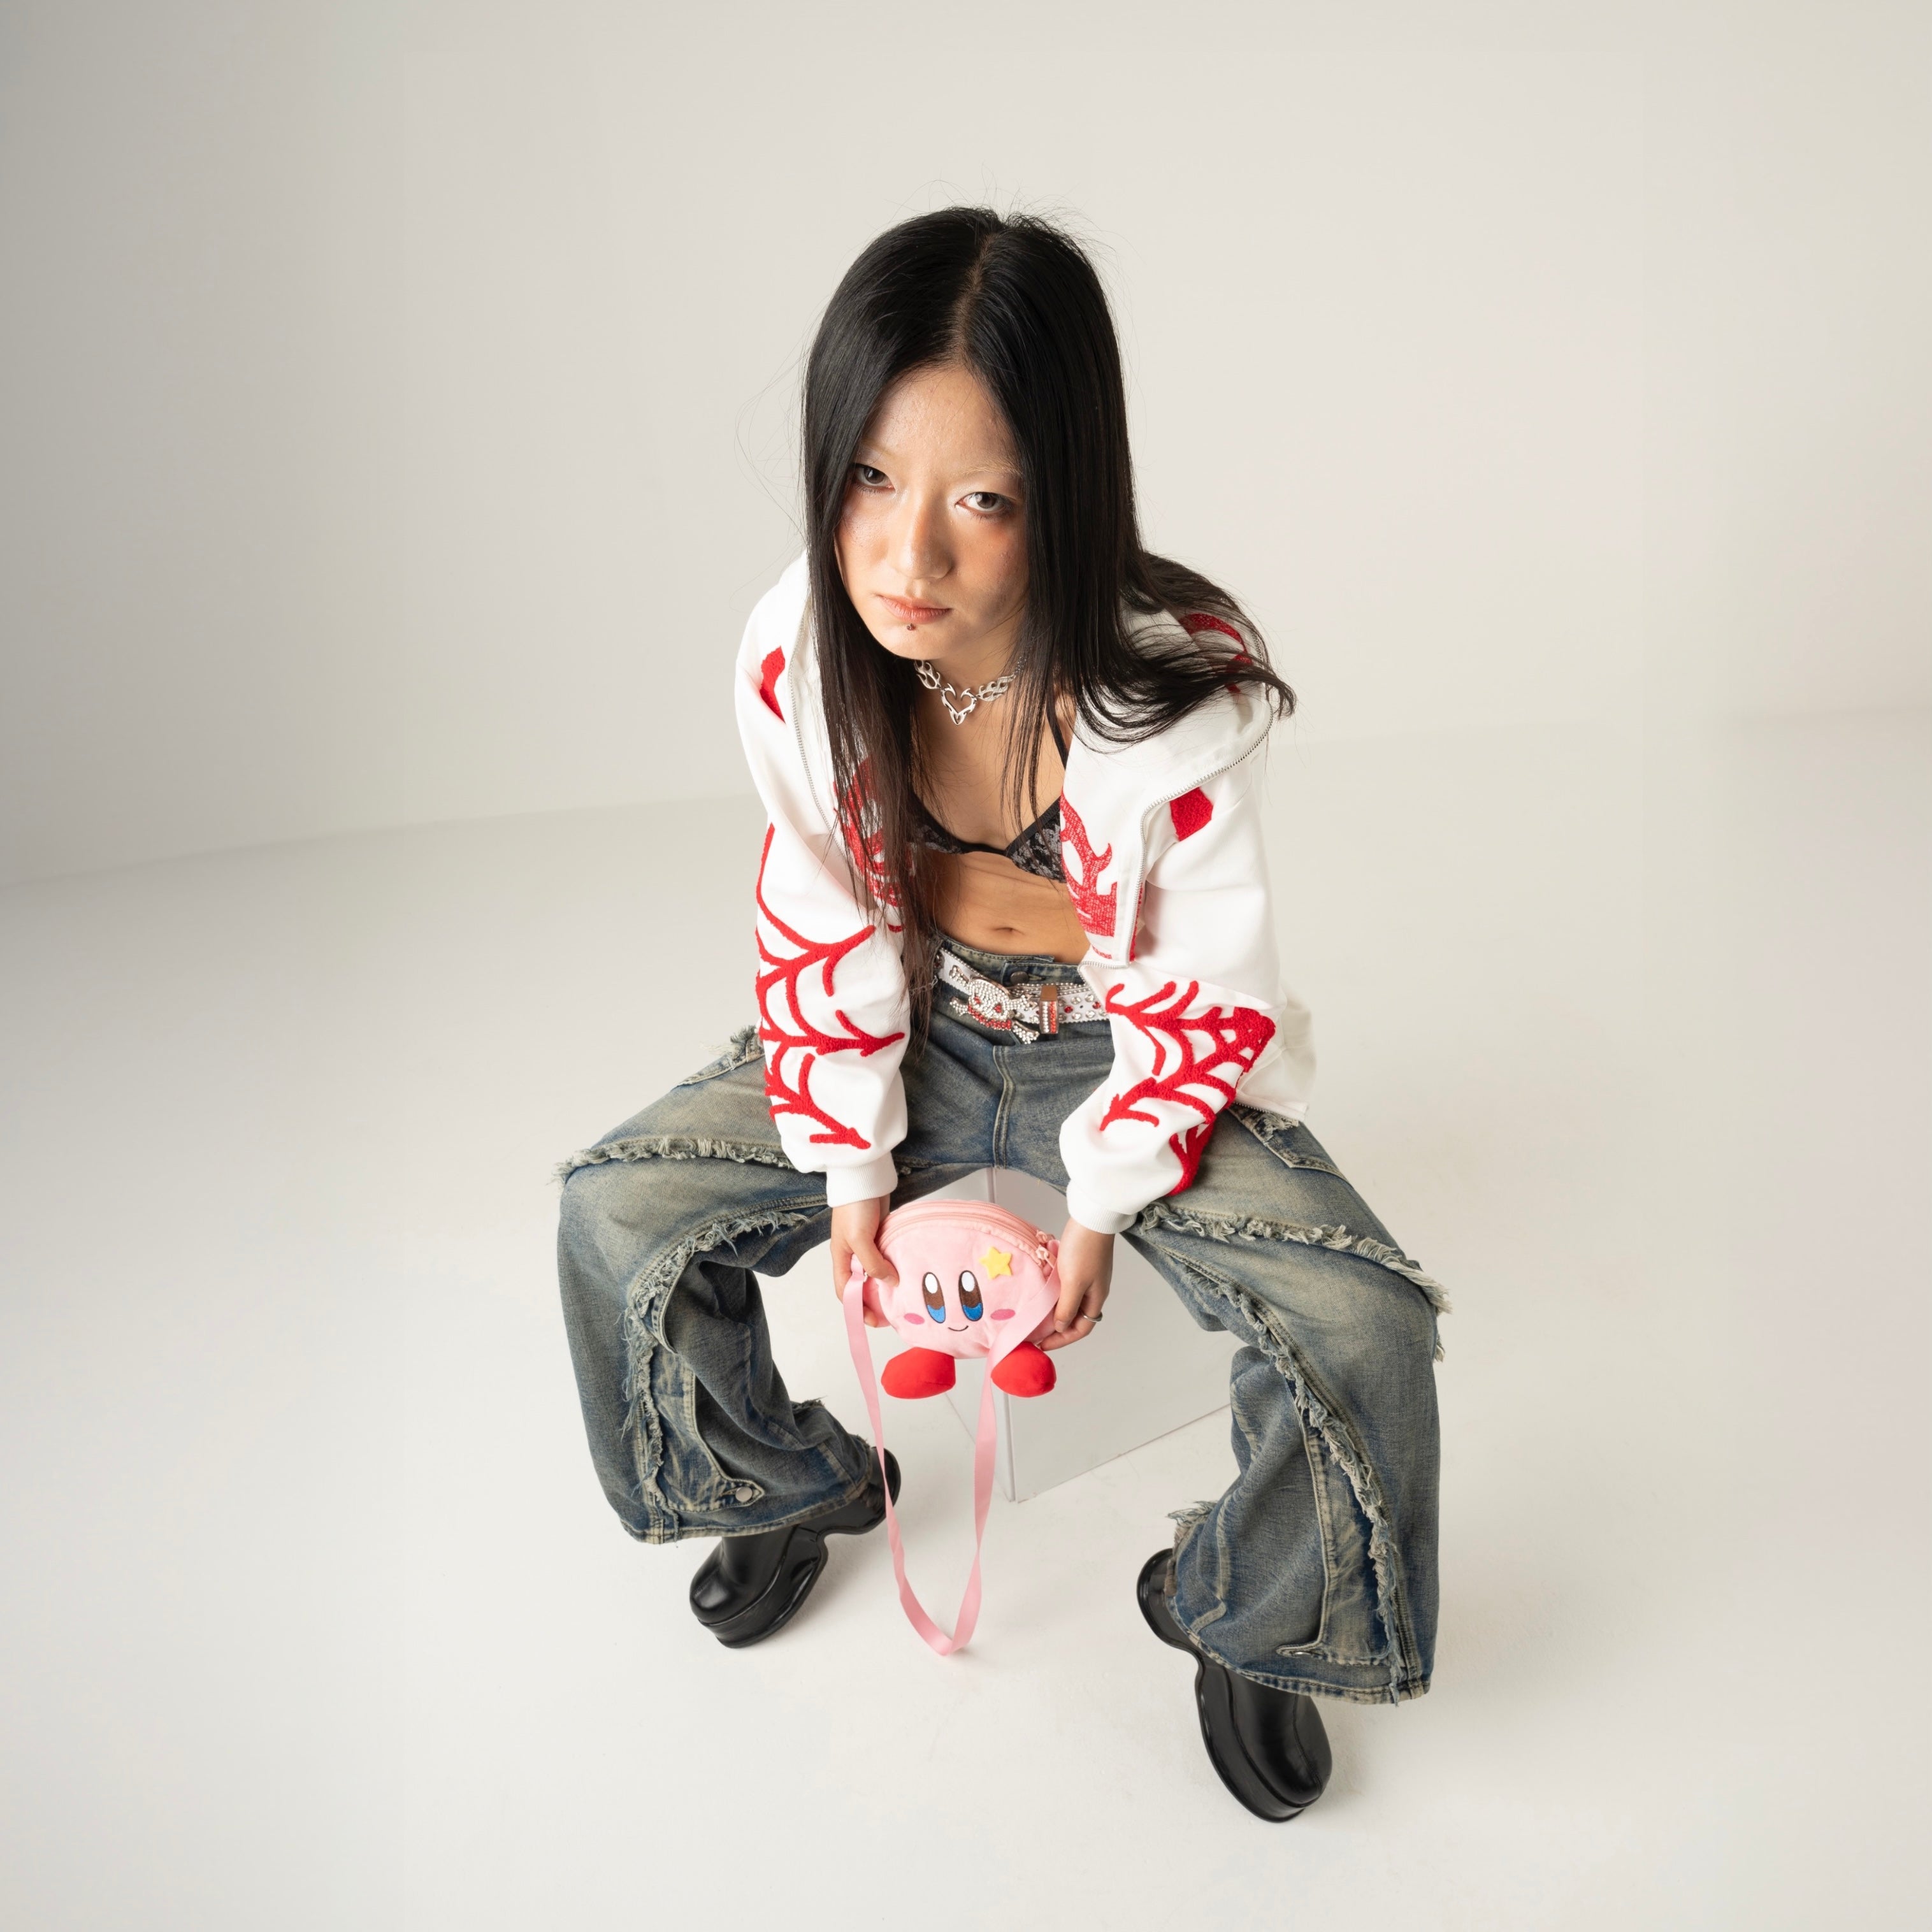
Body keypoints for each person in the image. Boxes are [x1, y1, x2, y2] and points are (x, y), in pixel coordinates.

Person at [556, 207, 1446, 1822]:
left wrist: (1099, 1200)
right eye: (870, 480)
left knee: (1361, 1324)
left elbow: (1204, 982)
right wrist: (851, 1171)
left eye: (982, 500)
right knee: (621, 1210)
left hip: (1124, 1051)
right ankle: (782, 1481)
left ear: (1065, 497)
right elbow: (818, 912)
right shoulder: (798, 657)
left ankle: (1249, 1614)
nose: (910, 558)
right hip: (906, 1028)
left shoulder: (1173, 690)